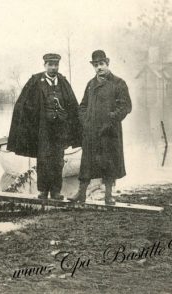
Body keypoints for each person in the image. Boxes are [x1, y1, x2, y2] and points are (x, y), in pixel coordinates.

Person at [7, 53, 82, 200]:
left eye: (56, 65)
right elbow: (22, 104)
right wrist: (31, 121)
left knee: (58, 160)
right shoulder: (35, 81)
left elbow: (73, 105)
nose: (53, 68)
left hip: (60, 130)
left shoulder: (63, 82)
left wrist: (70, 123)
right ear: (45, 65)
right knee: (43, 159)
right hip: (43, 130)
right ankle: (43, 191)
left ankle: (56, 191)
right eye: (50, 64)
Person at [69, 50, 132, 205]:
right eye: (96, 65)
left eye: (101, 64)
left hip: (109, 131)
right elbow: (82, 106)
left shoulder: (118, 83)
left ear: (107, 63)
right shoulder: (91, 84)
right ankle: (81, 194)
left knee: (109, 163)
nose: (99, 68)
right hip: (91, 131)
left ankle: (108, 195)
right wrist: (85, 121)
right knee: (87, 163)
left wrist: (111, 118)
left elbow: (126, 106)